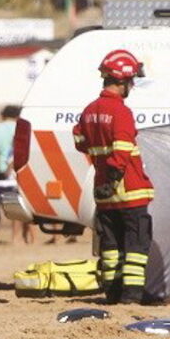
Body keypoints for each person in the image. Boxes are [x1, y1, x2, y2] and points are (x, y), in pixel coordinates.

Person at [72, 49, 154, 305]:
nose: (131, 86)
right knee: (135, 248)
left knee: (110, 247)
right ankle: (131, 296)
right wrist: (115, 178)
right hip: (130, 190)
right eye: (130, 81)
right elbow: (122, 150)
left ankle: (112, 292)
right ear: (122, 80)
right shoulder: (120, 112)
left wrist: (105, 180)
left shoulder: (89, 110)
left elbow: (79, 141)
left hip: (104, 194)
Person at [0, 105, 31, 244]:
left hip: (1, 169)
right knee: (16, 205)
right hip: (18, 170)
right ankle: (16, 237)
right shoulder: (22, 128)